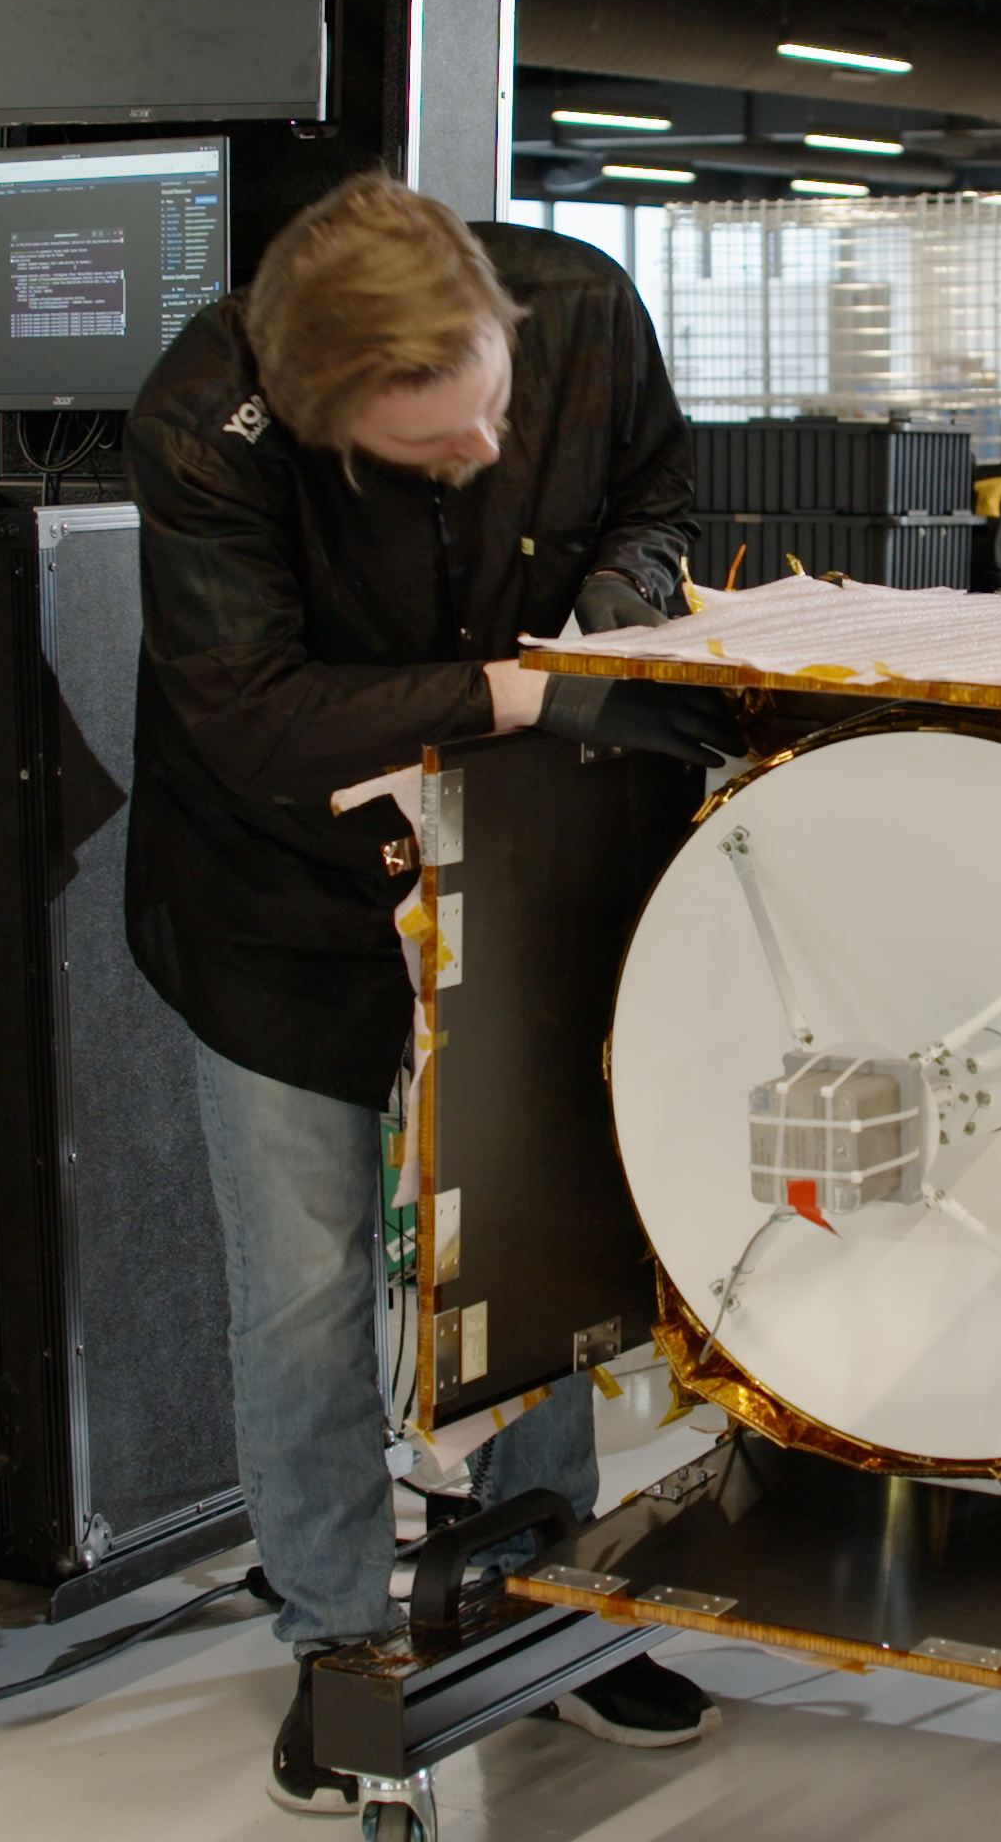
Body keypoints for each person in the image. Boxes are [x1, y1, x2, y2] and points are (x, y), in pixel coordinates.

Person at [124, 174, 741, 1812]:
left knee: (522, 1238)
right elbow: (251, 712)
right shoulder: (204, 423)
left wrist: (606, 625)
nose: (480, 458)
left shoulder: (584, 307)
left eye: (491, 416)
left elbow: (657, 499)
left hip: (516, 858)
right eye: (432, 453)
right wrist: (518, 689)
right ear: (330, 425)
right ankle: (340, 1638)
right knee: (309, 1285)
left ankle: (545, 1594)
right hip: (276, 893)